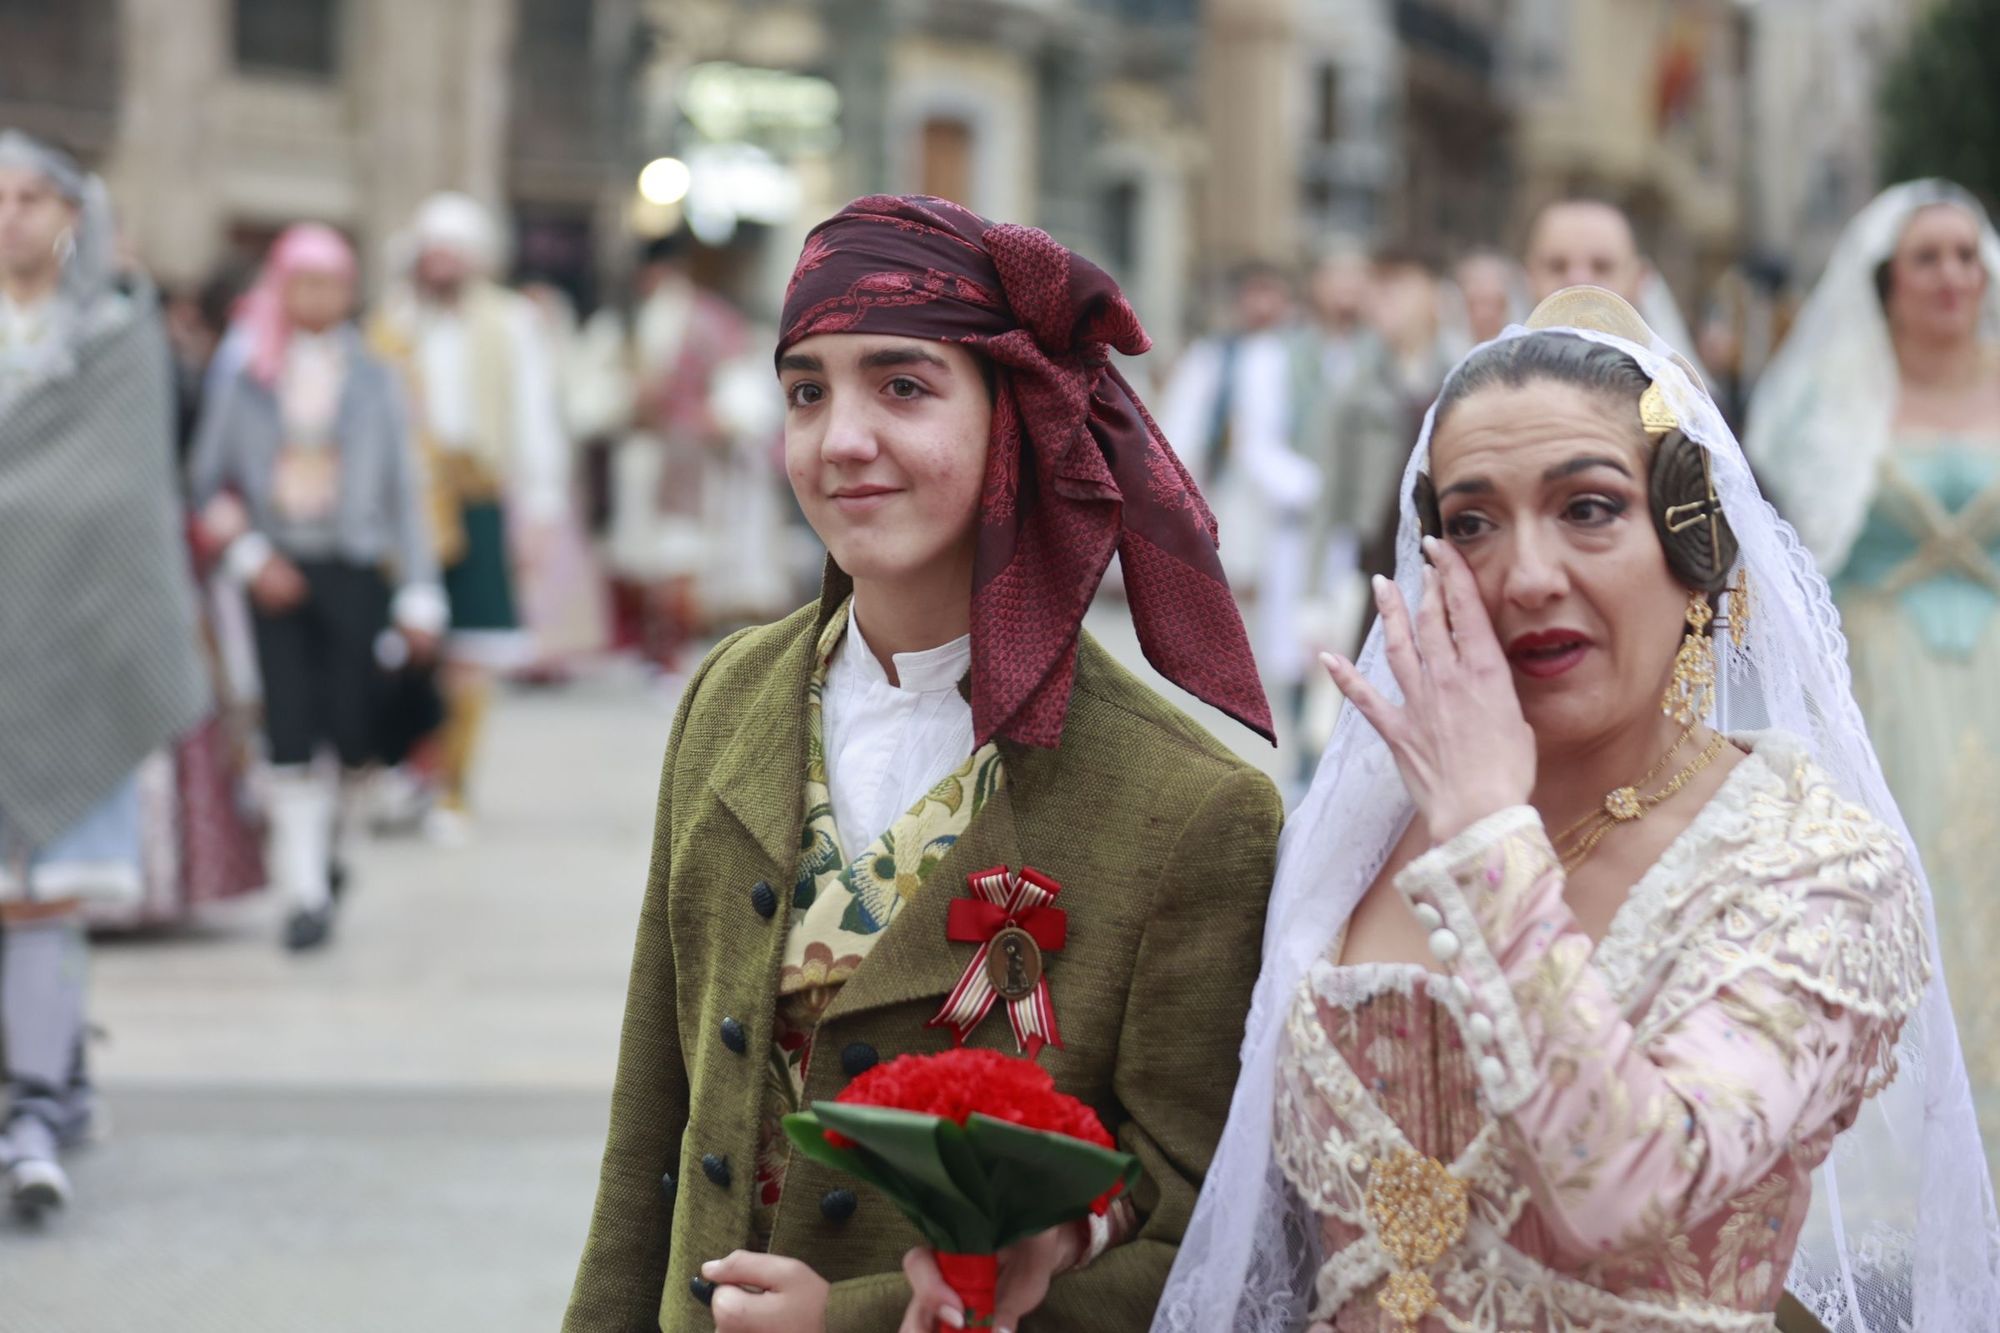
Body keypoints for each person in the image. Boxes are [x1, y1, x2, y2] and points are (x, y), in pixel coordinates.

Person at [1155, 288, 1997, 1330]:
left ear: (1695, 554)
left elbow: (1627, 1185)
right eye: (1470, 523)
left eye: (1586, 508)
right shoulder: (1361, 840)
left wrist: (1484, 841)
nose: (1524, 574)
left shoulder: (1813, 867)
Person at [562, 195, 1283, 1333]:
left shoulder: (1189, 809)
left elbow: (1189, 1228)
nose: (841, 438)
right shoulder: (728, 697)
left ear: (1018, 423)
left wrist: (851, 1321)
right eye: (807, 390)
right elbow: (650, 1125)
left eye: (902, 386)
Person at [1746, 179, 2000, 1185]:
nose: (1949, 276)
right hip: (1879, 682)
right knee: (1896, 901)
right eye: (1925, 258)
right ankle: (1900, 1169)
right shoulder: (1827, 405)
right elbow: (1787, 560)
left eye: (1964, 255)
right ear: (1885, 284)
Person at [0, 131, 208, 1217]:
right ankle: (50, 1079)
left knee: (45, 899)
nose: (15, 216)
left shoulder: (118, 335)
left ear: (71, 211)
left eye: (36, 196)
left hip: (74, 646)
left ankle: (37, 1099)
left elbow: (128, 499)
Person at [190, 223, 445, 950]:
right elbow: (208, 483)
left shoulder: (374, 376)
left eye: (332, 281)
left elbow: (405, 491)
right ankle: (303, 891)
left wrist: (422, 590)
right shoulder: (246, 375)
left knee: (355, 727)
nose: (318, 297)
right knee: (289, 728)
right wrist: (247, 556)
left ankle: (325, 848)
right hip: (276, 570)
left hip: (353, 567)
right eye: (303, 281)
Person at [367, 192, 568, 840]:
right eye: (433, 251)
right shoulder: (394, 322)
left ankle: (453, 788)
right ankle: (407, 772)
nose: (441, 263)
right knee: (407, 648)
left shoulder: (508, 322)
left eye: (453, 252)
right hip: (406, 505)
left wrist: (540, 509)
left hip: (477, 499)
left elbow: (536, 415)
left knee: (470, 657)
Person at [1158, 260, 1321, 696]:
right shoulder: (1214, 355)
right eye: (1255, 293)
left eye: (1272, 293)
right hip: (1226, 493)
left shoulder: (1303, 357)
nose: (1263, 304)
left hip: (1288, 501)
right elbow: (1181, 432)